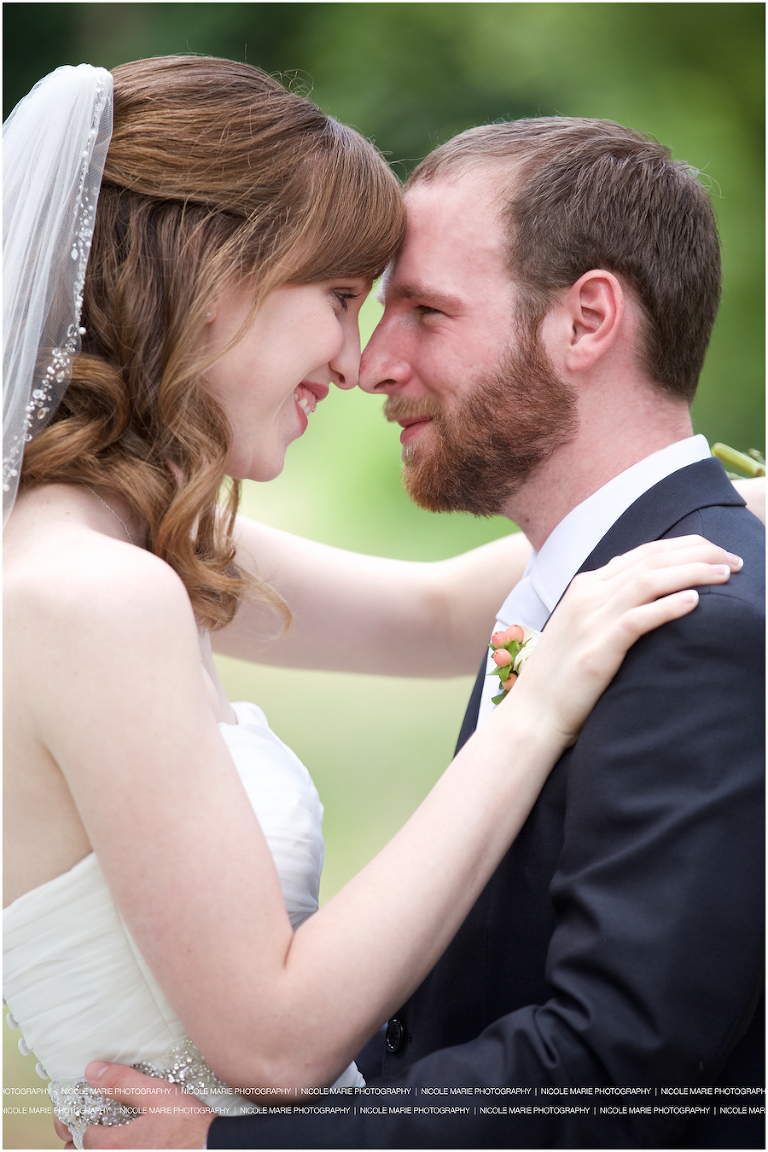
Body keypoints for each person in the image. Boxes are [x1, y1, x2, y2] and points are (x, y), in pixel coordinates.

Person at [4, 61, 736, 1152]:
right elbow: (275, 1044)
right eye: (343, 299)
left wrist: (695, 493)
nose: (357, 363)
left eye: (400, 307)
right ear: (211, 275)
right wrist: (536, 708)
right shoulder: (95, 597)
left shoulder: (115, 544)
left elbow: (435, 614)